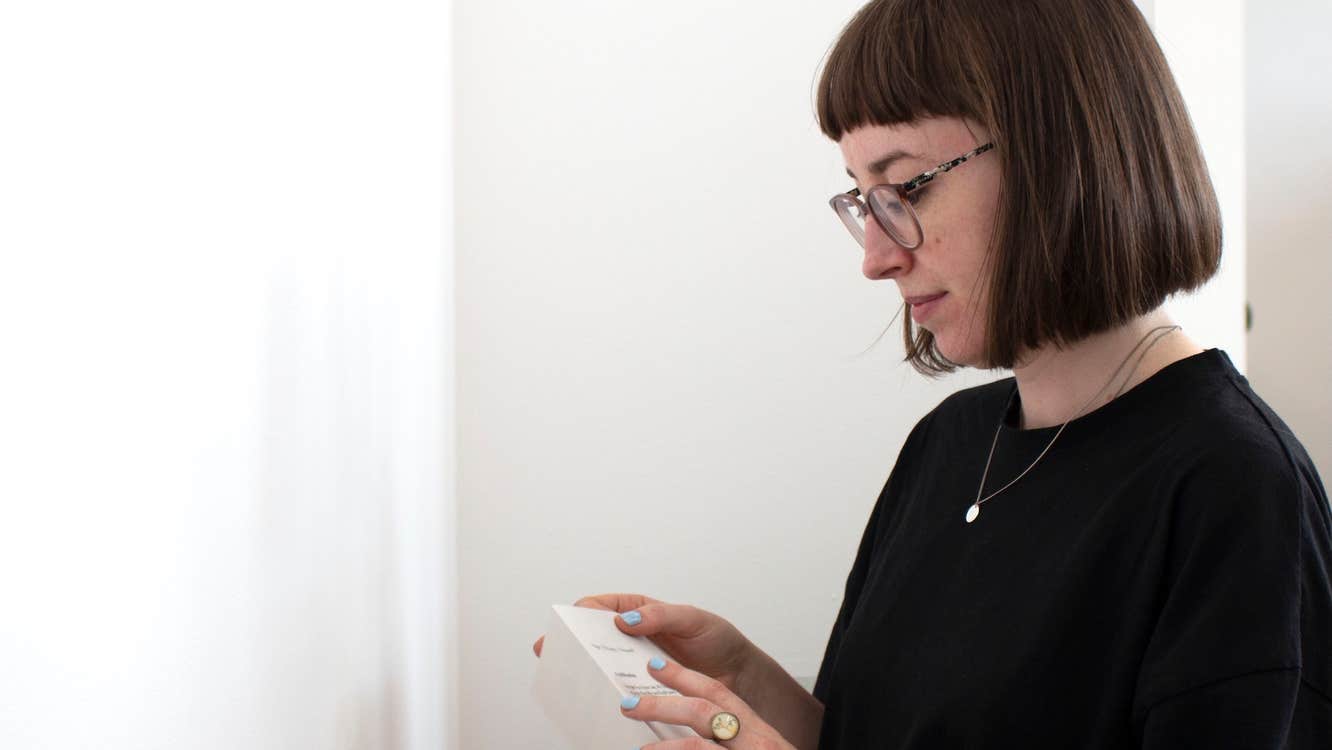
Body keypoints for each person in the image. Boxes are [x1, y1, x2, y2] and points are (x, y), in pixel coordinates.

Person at [532, 0, 1332, 747]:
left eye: (905, 187)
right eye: (862, 201)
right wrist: (742, 680)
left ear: (1060, 154)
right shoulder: (950, 441)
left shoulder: (1236, 488)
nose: (877, 257)